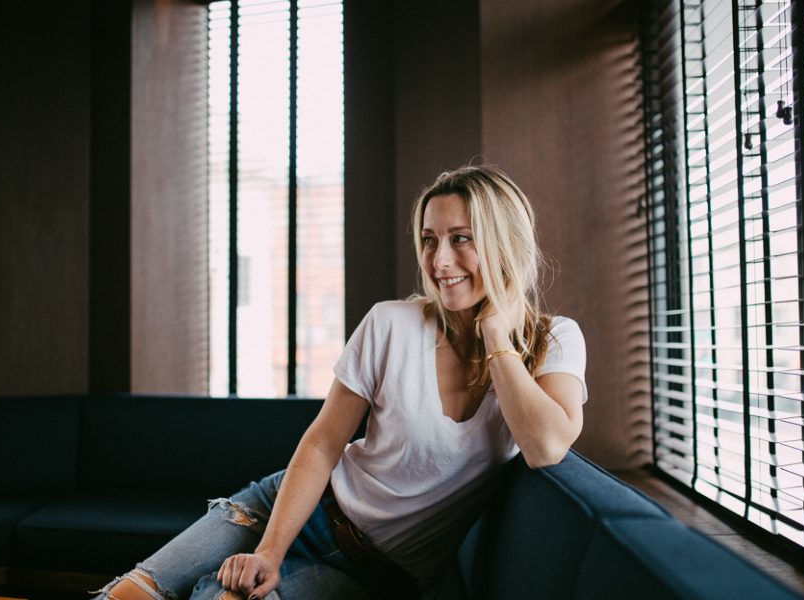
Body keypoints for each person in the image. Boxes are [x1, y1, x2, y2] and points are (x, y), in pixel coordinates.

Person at [94, 164, 587, 600]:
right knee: (130, 595)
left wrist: (496, 336)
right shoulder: (390, 323)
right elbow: (324, 442)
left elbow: (545, 446)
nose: (439, 261)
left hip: (379, 576)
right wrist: (269, 551)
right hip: (290, 509)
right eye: (429, 239)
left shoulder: (554, 340)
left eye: (461, 238)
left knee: (220, 598)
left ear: (504, 243)